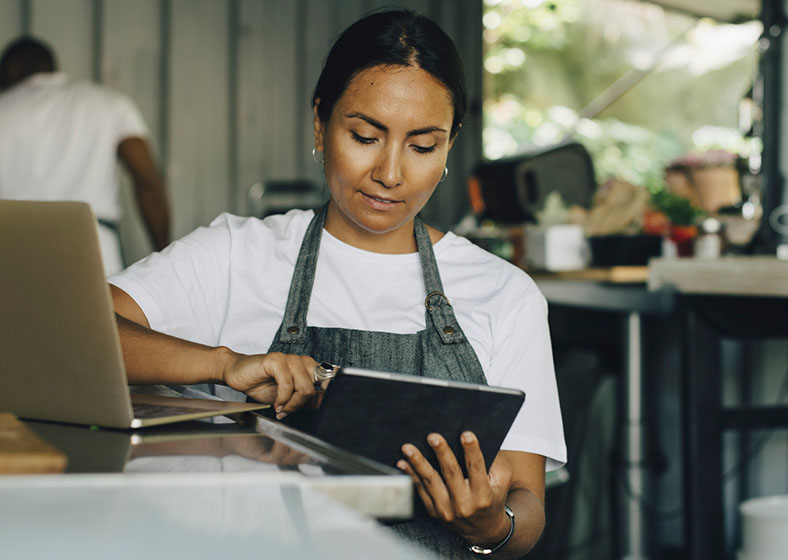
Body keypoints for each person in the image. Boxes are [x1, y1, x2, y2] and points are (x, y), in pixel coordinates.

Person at [107, 9, 566, 558]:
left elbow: (526, 505)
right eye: (366, 136)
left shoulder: (504, 292)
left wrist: (491, 527)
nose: (390, 173)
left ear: (449, 146)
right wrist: (223, 364)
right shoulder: (237, 255)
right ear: (320, 125)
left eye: (423, 147)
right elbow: (74, 333)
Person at [0, 36, 170, 275]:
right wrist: (163, 255)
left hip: (11, 253)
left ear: (12, 68)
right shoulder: (110, 103)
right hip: (93, 250)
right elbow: (147, 181)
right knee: (92, 312)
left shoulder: (4, 107)